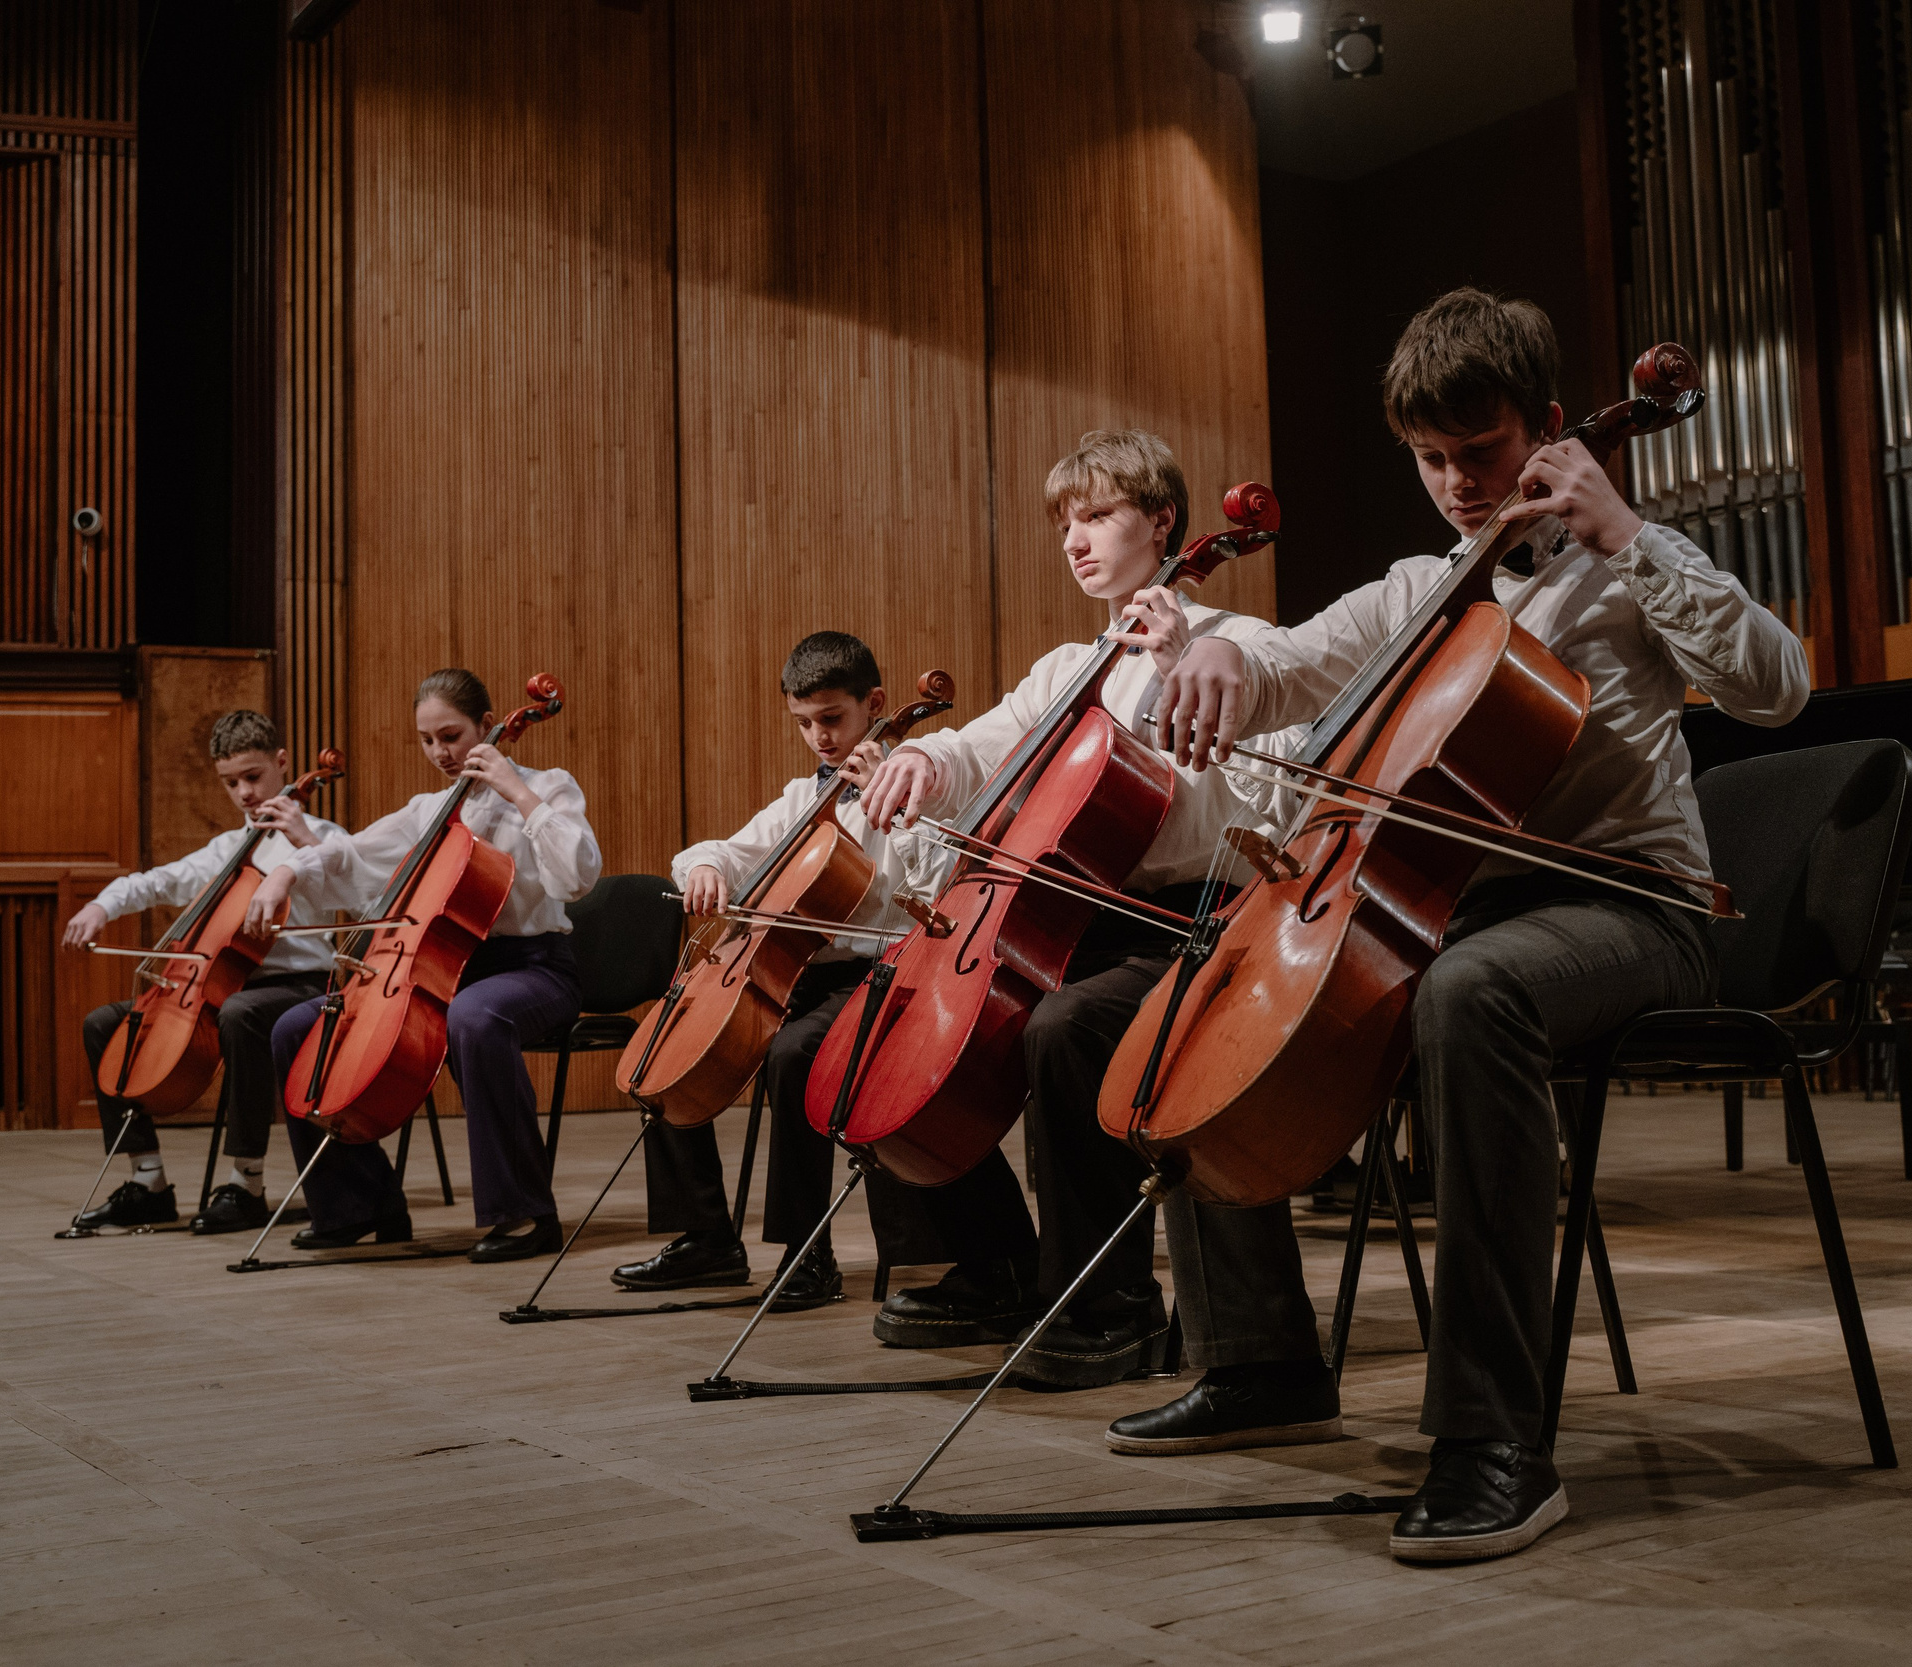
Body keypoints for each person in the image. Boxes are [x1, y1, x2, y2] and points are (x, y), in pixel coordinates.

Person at [1137, 287, 1809, 1562]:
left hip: (1631, 907)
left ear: (1550, 431)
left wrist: (1629, 537)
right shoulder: (1415, 590)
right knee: (1201, 992)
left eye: (1481, 452)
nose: (1454, 482)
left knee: (1470, 996)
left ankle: (1496, 1440)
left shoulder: (1625, 569)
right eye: (1430, 459)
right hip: (1455, 913)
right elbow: (1288, 660)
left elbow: (1778, 685)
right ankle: (1260, 1358)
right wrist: (1220, 658)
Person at [855, 429, 1288, 1386]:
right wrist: (929, 757)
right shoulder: (1068, 669)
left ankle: (1112, 1308)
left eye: (1096, 516)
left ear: (1164, 520)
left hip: (1196, 920)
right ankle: (998, 1266)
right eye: (1066, 523)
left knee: (1065, 1028)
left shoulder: (1240, 647)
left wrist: (1183, 663)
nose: (1075, 541)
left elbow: (1272, 799)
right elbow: (986, 742)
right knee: (905, 1022)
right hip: (1087, 920)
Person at [611, 632, 1038, 1311]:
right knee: (672, 1039)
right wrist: (706, 867)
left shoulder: (919, 784)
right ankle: (706, 1237)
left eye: (832, 719)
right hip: (797, 975)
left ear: (875, 704)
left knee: (790, 1054)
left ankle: (805, 1255)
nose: (819, 737)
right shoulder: (802, 797)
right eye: (805, 723)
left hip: (882, 974)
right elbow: (728, 846)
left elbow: (936, 879)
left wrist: (902, 812)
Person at [247, 668, 603, 1261]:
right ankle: (362, 1204)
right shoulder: (428, 810)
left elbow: (578, 876)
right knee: (296, 1027)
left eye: (452, 735)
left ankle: (524, 1213)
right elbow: (350, 853)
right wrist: (284, 870)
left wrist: (518, 792)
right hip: (442, 969)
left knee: (476, 1017)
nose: (440, 752)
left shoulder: (549, 787)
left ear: (489, 727)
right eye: (427, 740)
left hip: (534, 968)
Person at [61, 710, 346, 1234]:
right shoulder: (226, 851)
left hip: (302, 986)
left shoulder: (322, 835)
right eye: (230, 782)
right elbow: (154, 881)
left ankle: (247, 1183)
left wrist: (302, 844)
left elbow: (359, 884)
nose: (243, 793)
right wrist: (102, 906)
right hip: (225, 987)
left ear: (282, 763)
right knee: (104, 1023)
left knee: (242, 1014)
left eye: (253, 777)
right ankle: (148, 1182)